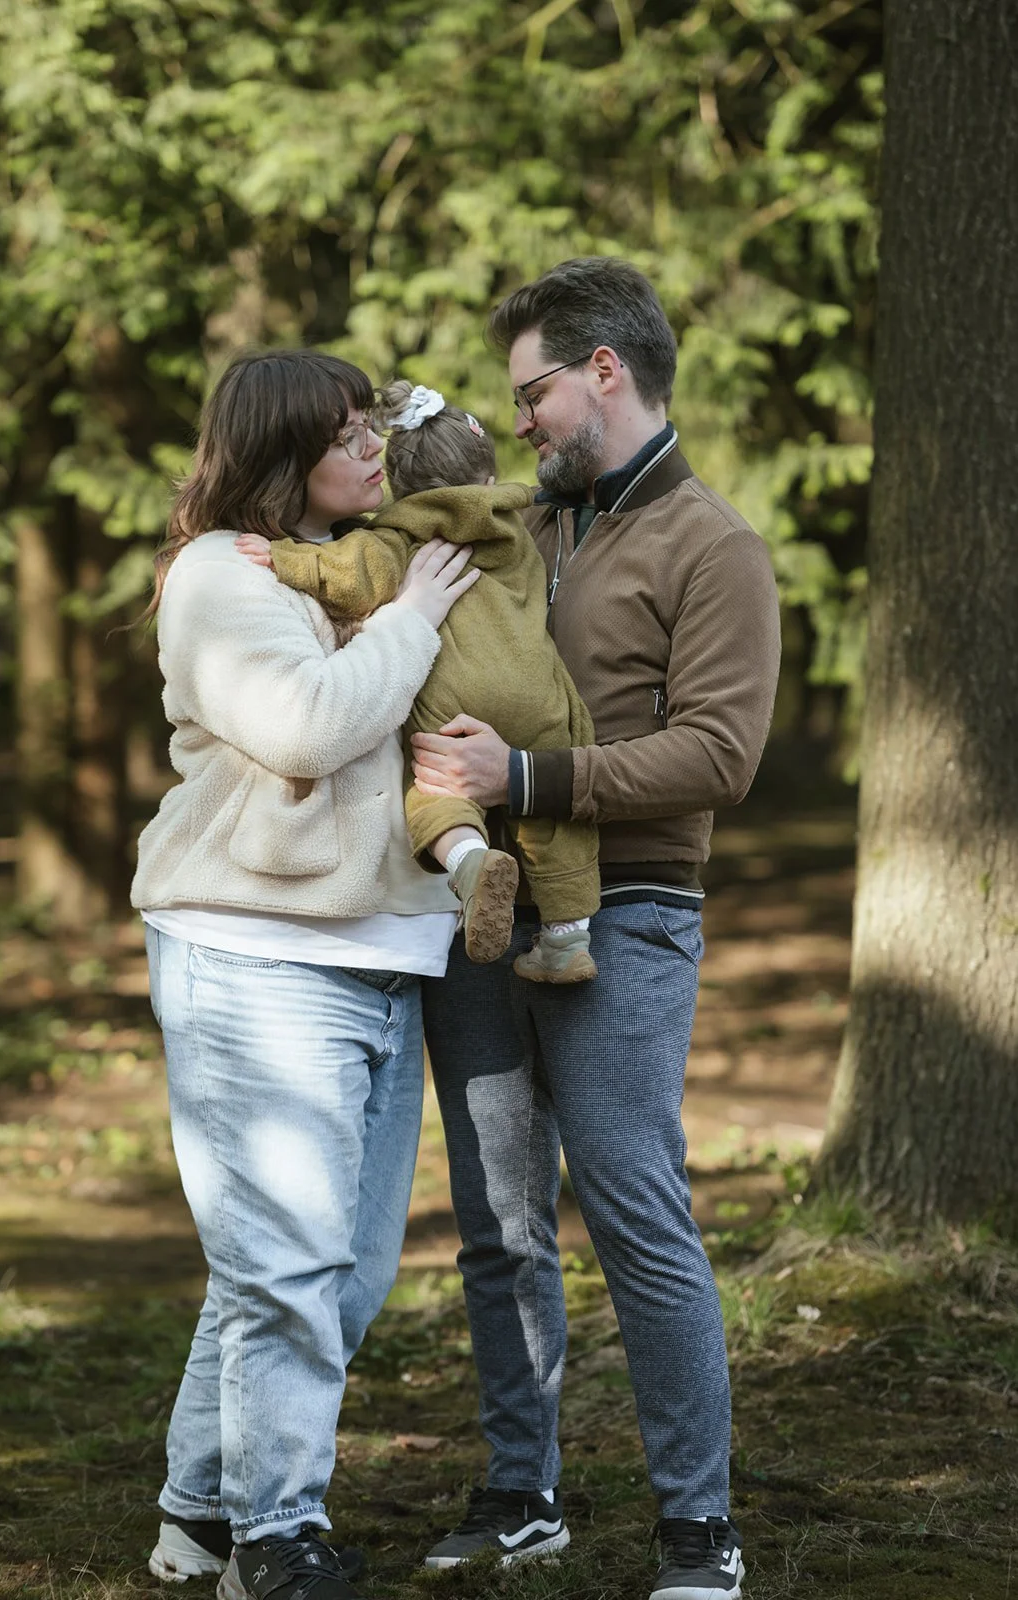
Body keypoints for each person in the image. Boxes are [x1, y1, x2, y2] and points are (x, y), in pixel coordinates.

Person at [411, 259, 782, 1600]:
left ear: (602, 373)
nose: (516, 421)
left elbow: (719, 757)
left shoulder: (714, 548)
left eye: (532, 392)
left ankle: (699, 1531)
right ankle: (522, 1496)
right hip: (480, 909)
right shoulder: (521, 524)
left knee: (632, 1205)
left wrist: (529, 780)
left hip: (627, 914)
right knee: (498, 1221)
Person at [129, 348, 480, 1600]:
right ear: (278, 449)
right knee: (284, 1267)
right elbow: (305, 724)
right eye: (342, 434)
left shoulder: (363, 559)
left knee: (339, 1271)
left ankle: (197, 1516)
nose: (372, 448)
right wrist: (412, 621)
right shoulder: (224, 571)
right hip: (255, 950)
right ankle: (277, 1540)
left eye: (371, 426)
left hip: (385, 951)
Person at [235, 378, 601, 984]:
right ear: (486, 479)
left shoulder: (403, 534)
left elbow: (357, 575)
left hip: (457, 699)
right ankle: (568, 940)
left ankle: (469, 861)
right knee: (552, 817)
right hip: (539, 692)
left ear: (401, 486)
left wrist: (282, 558)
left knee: (436, 785)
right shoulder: (518, 531)